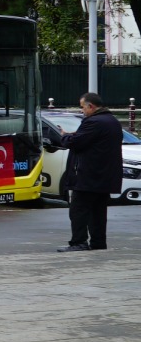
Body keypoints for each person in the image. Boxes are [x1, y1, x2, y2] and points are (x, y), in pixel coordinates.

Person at [58, 91, 121, 253]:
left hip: (88, 175)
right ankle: (98, 242)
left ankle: (79, 242)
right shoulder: (112, 121)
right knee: (98, 212)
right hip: (104, 176)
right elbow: (93, 142)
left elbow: (77, 142)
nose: (82, 111)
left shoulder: (93, 122)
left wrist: (65, 136)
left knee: (78, 210)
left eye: (83, 107)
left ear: (91, 106)